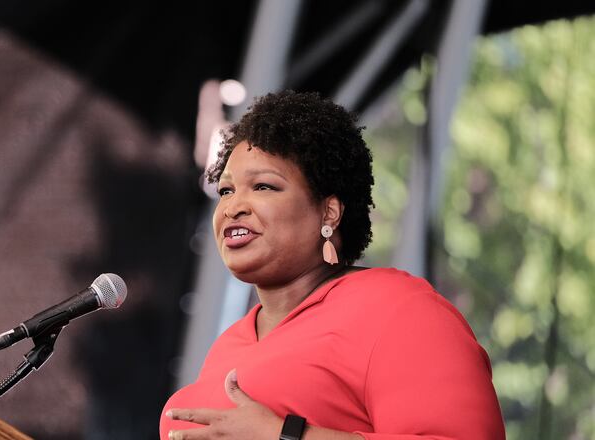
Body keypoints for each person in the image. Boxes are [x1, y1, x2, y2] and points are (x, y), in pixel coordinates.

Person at [160, 90, 505, 440]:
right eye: (226, 191)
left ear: (329, 212)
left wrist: (286, 435)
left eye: (263, 186)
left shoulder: (398, 309)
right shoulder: (228, 346)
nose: (233, 207)